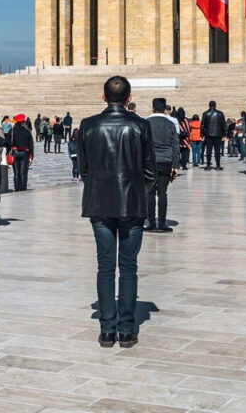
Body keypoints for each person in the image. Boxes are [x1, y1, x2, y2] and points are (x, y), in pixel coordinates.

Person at [79, 76, 156, 349]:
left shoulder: (88, 125)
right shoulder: (140, 126)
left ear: (103, 97)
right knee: (128, 267)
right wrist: (135, 190)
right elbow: (150, 171)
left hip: (99, 204)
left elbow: (84, 170)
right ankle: (126, 330)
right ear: (128, 97)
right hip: (132, 205)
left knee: (105, 266)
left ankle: (107, 331)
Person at [145, 98, 178, 233]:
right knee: (162, 193)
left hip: (149, 161)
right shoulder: (170, 124)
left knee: (150, 193)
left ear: (152, 107)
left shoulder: (146, 123)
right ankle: (162, 223)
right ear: (165, 109)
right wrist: (175, 165)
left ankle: (151, 223)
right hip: (166, 160)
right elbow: (175, 145)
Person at [9, 113, 34, 191]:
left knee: (16, 173)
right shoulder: (27, 131)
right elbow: (31, 145)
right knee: (23, 172)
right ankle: (23, 189)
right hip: (24, 153)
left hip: (15, 152)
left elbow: (9, 143)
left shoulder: (12, 131)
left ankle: (17, 188)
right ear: (23, 121)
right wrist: (31, 156)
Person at [200, 101, 225, 170]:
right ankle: (218, 165)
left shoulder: (205, 113)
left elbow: (202, 125)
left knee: (209, 151)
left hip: (208, 135)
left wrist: (202, 134)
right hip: (218, 134)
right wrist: (224, 134)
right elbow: (224, 125)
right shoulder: (220, 113)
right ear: (215, 105)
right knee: (217, 151)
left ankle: (208, 165)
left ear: (209, 105)